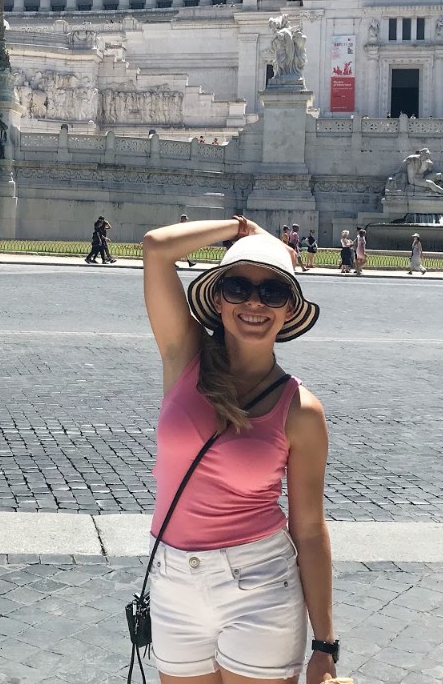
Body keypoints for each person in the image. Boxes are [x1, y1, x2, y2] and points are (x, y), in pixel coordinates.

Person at [139, 218, 336, 684]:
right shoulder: (184, 356)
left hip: (261, 585)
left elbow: (309, 529)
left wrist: (325, 644)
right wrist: (243, 227)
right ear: (217, 299)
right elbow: (156, 248)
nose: (254, 303)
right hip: (172, 582)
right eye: (238, 287)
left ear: (289, 309)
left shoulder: (302, 411)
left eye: (273, 292)